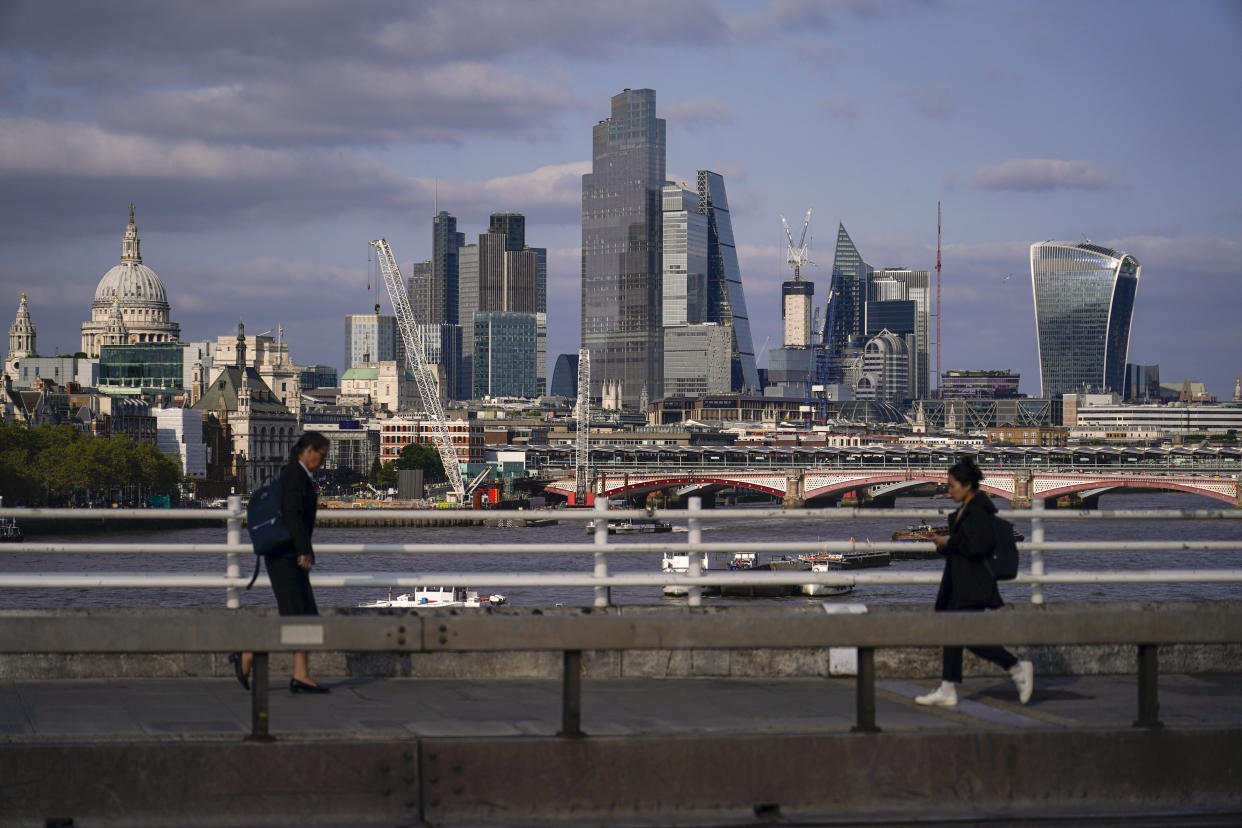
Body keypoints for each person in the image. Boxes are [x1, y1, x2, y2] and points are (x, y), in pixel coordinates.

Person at [915, 457, 1033, 707]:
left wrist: (948, 542)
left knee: (968, 636)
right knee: (953, 633)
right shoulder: (963, 512)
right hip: (958, 582)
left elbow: (978, 546)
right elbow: (961, 547)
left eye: (952, 486)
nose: (949, 491)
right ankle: (947, 689)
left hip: (973, 583)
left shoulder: (978, 511)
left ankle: (1015, 666)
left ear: (967, 486)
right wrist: (942, 545)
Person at [230, 431, 332, 694]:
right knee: (295, 616)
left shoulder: (293, 474)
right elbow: (292, 514)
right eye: (322, 455)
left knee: (304, 615)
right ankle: (248, 650)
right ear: (308, 450)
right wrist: (303, 551)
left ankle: (301, 674)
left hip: (286, 553)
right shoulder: (295, 475)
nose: (323, 461)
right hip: (286, 555)